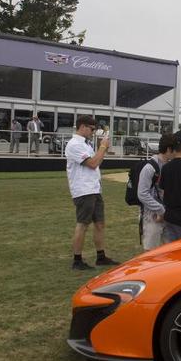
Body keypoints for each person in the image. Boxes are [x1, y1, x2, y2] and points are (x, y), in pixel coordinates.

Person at [65, 115, 119, 270]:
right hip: (83, 190)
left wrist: (102, 149)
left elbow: (96, 161)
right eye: (92, 129)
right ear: (82, 127)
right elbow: (93, 163)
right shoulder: (75, 144)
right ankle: (77, 260)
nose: (93, 132)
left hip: (94, 188)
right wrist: (102, 147)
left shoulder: (85, 144)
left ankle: (101, 256)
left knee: (100, 223)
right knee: (83, 224)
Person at [137, 133, 176, 250]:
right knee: (151, 253)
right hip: (152, 217)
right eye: (175, 150)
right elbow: (142, 194)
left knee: (170, 251)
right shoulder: (149, 168)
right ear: (169, 149)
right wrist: (161, 210)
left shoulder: (170, 166)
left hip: (167, 216)